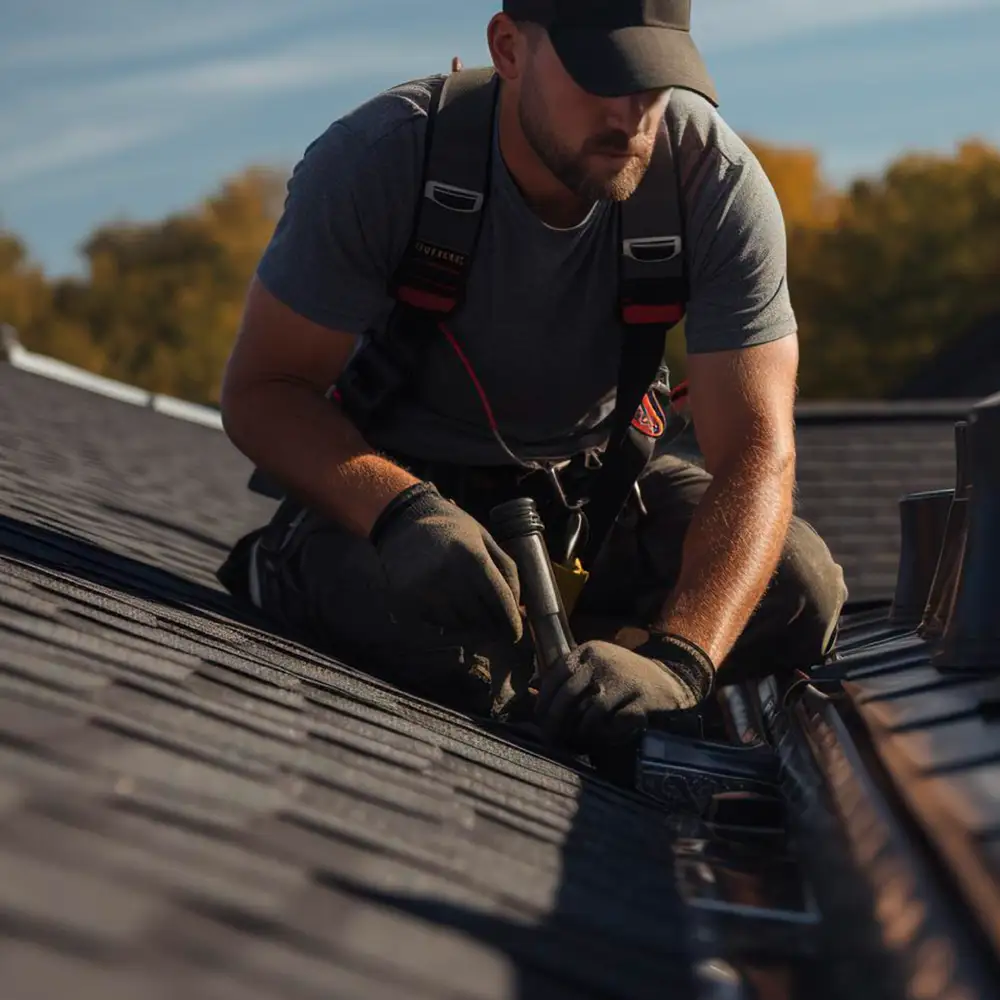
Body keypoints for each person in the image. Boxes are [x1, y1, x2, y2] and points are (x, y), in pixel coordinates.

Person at [217, 0, 848, 755]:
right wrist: (399, 512)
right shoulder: (382, 158)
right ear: (509, 49)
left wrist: (681, 664)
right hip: (396, 507)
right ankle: (294, 572)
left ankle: (581, 656)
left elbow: (756, 454)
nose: (631, 115)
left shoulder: (713, 186)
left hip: (593, 505)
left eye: (653, 83)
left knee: (802, 587)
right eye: (600, 78)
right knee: (468, 666)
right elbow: (261, 393)